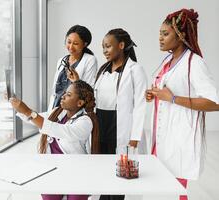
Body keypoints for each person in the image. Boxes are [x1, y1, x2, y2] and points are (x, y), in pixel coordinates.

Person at [145, 8, 219, 200]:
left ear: (181, 35)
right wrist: (154, 94)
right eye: (159, 34)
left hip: (179, 137)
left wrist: (173, 98)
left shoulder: (195, 63)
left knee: (176, 190)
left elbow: (213, 102)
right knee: (161, 188)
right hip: (160, 136)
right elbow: (166, 90)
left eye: (165, 34)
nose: (160, 38)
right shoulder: (168, 60)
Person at [69, 28, 147, 200]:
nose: (104, 50)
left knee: (120, 171)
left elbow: (140, 105)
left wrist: (135, 137)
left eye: (108, 46)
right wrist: (77, 82)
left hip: (120, 126)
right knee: (103, 168)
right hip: (101, 123)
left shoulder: (135, 70)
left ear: (121, 45)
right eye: (103, 47)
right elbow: (93, 95)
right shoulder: (103, 70)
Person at [10, 80, 100, 200]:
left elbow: (59, 130)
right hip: (53, 169)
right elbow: (37, 119)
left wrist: (28, 111)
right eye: (65, 93)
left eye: (68, 95)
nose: (62, 96)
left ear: (79, 103)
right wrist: (19, 108)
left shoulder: (85, 122)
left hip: (76, 173)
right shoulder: (57, 112)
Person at [48, 25, 98, 111]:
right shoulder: (61, 60)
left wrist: (76, 81)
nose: (70, 47)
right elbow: (55, 90)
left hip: (74, 109)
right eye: (69, 42)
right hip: (56, 106)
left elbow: (89, 91)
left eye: (75, 43)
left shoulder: (90, 60)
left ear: (85, 44)